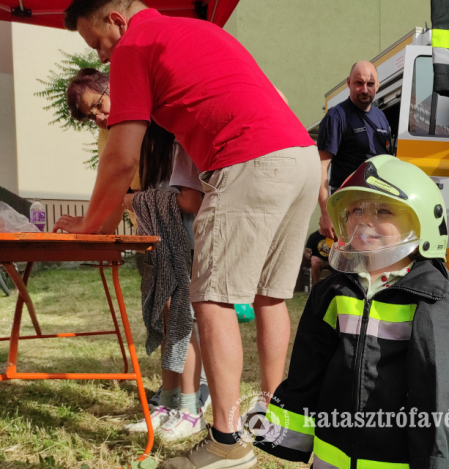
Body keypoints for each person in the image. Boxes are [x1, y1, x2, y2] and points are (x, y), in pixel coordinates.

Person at [57, 2, 318, 466]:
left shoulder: (136, 44)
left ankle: (227, 441)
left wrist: (89, 225)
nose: (101, 58)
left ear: (116, 19)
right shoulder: (192, 32)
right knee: (270, 296)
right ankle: (272, 420)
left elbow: (121, 158)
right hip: (300, 159)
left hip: (250, 156)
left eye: (98, 43)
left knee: (210, 297)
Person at [252, 155, 449, 468]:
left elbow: (440, 394)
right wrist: (289, 436)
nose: (363, 221)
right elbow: (307, 369)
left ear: (423, 220)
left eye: (383, 210)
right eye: (355, 210)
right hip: (333, 456)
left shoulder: (434, 301)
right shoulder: (333, 291)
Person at [67, 69, 210, 440]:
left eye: (98, 105)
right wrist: (95, 225)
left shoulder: (166, 127)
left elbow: (187, 200)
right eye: (91, 116)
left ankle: (191, 406)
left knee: (180, 318)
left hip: (184, 234)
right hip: (157, 234)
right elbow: (118, 192)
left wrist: (131, 200)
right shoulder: (120, 136)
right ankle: (167, 403)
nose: (98, 117)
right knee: (164, 318)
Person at [317, 61, 392, 239]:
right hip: (347, 206)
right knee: (347, 264)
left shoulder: (381, 117)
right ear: (349, 83)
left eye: (370, 84)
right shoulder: (336, 117)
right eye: (359, 83)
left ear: (378, 85)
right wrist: (326, 212)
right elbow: (320, 167)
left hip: (375, 205)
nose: (365, 89)